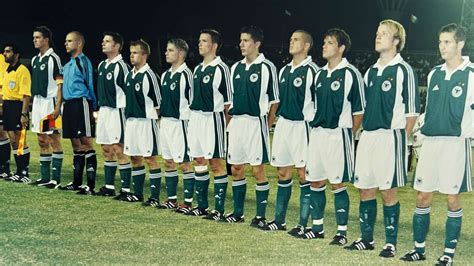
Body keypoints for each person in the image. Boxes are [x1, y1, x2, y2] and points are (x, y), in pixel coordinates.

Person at [345, 20, 420, 258]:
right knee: (365, 187)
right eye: (377, 33)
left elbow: (412, 112)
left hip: (391, 137)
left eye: (384, 34)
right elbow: (365, 108)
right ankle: (366, 239)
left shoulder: (403, 70)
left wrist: (401, 140)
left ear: (396, 41)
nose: (378, 37)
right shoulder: (371, 71)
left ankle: (390, 243)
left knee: (388, 190)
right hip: (368, 136)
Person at [400, 23, 472, 266]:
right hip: (431, 143)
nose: (442, 47)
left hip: (455, 144)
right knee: (422, 197)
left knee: (452, 199)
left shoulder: (471, 74)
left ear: (460, 44)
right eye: (440, 42)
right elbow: (429, 109)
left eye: (447, 42)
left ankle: (448, 255)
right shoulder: (434, 73)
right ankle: (418, 249)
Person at [304, 28, 364, 246]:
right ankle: (317, 227)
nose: (324, 46)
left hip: (339, 135)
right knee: (316, 180)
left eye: (329, 43)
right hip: (318, 134)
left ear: (341, 48)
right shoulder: (319, 74)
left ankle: (341, 232)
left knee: (337, 183)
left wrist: (348, 133)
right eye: (324, 42)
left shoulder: (351, 74)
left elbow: (359, 111)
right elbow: (311, 104)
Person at [265, 29, 319, 234]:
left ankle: (303, 223)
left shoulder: (314, 70)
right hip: (284, 125)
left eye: (296, 40)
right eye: (290, 39)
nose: (291, 42)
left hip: (303, 125)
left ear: (306, 45)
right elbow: (276, 101)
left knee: (304, 173)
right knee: (282, 171)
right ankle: (279, 220)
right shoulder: (284, 70)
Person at [225, 26, 279, 225]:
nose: (241, 44)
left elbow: (274, 101)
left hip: (256, 124)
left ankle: (260, 216)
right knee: (236, 168)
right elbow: (230, 101)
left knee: (257, 170)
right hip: (237, 123)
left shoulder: (267, 67)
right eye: (240, 40)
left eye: (246, 40)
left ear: (257, 43)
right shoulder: (236, 68)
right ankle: (237, 213)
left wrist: (268, 125)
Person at [186, 29, 231, 218]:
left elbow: (229, 103)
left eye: (204, 41)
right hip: (196, 118)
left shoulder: (222, 69)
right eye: (199, 40)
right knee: (198, 160)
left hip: (213, 119)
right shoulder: (197, 69)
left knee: (216, 163)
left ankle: (218, 209)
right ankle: (202, 205)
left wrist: (224, 125)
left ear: (214, 45)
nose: (200, 44)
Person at [121, 39, 162, 204]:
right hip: (131, 122)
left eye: (135, 52)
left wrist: (156, 122)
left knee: (150, 158)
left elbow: (159, 103)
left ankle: (154, 197)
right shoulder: (129, 75)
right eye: (130, 53)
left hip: (147, 122)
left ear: (144, 55)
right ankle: (137, 193)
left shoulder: (150, 76)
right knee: (135, 157)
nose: (132, 56)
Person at [158, 38, 196, 212]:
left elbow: (193, 101)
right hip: (166, 122)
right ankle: (172, 199)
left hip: (181, 123)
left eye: (170, 50)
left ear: (180, 53)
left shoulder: (187, 74)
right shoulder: (165, 75)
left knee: (185, 163)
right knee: (168, 161)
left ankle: (188, 202)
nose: (166, 53)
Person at [94, 32, 132, 198]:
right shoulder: (102, 65)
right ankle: (109, 186)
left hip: (118, 110)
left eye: (107, 41)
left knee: (119, 148)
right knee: (106, 148)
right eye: (103, 41)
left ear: (116, 46)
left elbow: (129, 91)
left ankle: (125, 190)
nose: (103, 43)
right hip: (104, 111)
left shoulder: (121, 66)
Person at [59, 31, 98, 194]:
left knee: (86, 141)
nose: (66, 44)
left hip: (81, 103)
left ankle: (90, 185)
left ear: (79, 43)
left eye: (69, 41)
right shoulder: (66, 65)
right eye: (65, 41)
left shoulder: (84, 62)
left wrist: (94, 107)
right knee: (75, 143)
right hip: (68, 105)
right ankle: (76, 182)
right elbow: (60, 86)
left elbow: (90, 84)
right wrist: (58, 106)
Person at [29, 26, 64, 188]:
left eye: (37, 37)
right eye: (34, 37)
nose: (35, 40)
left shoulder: (53, 58)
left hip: (50, 103)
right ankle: (45, 177)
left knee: (53, 139)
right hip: (37, 104)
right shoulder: (35, 59)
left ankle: (55, 179)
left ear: (46, 39)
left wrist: (57, 107)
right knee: (42, 140)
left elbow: (60, 85)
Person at [1, 43, 32, 182]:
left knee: (20, 140)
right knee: (13, 140)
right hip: (8, 106)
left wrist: (24, 113)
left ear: (16, 54)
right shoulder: (7, 70)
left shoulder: (22, 70)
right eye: (4, 51)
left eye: (8, 51)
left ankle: (24, 172)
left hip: (18, 106)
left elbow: (26, 95)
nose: (4, 54)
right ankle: (18, 171)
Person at [0, 53, 11, 179]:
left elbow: (4, 82)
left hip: (2, 99)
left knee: (2, 132)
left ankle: (4, 167)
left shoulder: (2, 60)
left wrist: (1, 102)